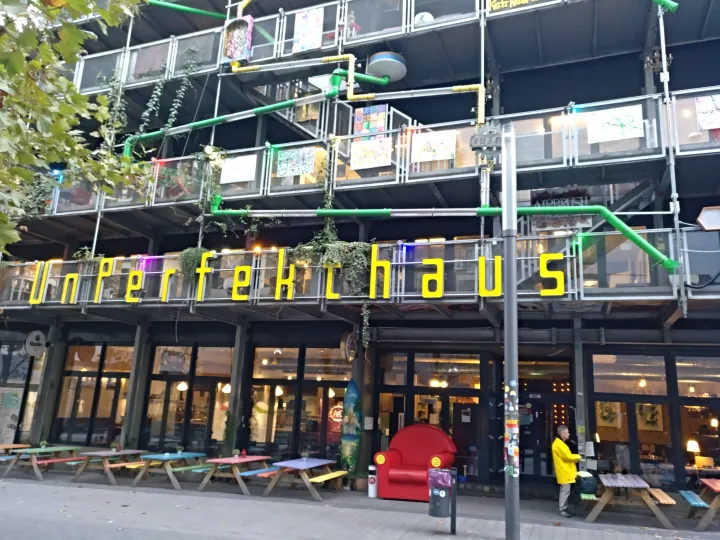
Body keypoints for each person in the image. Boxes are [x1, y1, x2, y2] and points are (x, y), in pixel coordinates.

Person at [552, 425, 581, 518]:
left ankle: (564, 508)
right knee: (565, 491)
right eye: (567, 432)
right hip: (564, 471)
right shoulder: (559, 445)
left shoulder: (560, 443)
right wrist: (579, 457)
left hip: (566, 471)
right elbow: (567, 457)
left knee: (566, 491)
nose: (569, 434)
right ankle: (563, 509)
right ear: (563, 433)